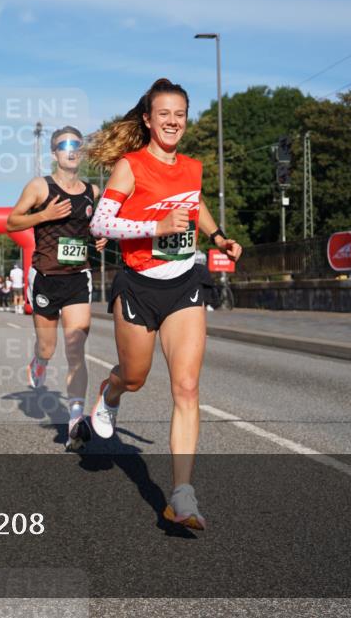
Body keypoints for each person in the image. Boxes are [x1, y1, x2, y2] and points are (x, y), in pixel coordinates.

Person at [88, 77, 242, 529]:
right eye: (164, 114)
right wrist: (153, 227)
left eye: (180, 114)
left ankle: (181, 495)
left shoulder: (191, 167)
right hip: (138, 285)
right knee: (135, 377)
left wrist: (217, 237)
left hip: (184, 281)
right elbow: (101, 223)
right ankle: (110, 392)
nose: (173, 121)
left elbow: (194, 204)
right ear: (148, 120)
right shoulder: (130, 166)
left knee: (187, 388)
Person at [6, 126, 107, 451]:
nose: (71, 150)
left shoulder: (92, 191)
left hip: (78, 278)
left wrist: (99, 238)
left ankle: (76, 420)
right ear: (54, 154)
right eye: (64, 145)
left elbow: (94, 228)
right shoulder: (40, 186)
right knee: (48, 348)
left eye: (76, 145)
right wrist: (45, 214)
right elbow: (12, 222)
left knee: (76, 348)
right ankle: (38, 362)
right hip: (46, 277)